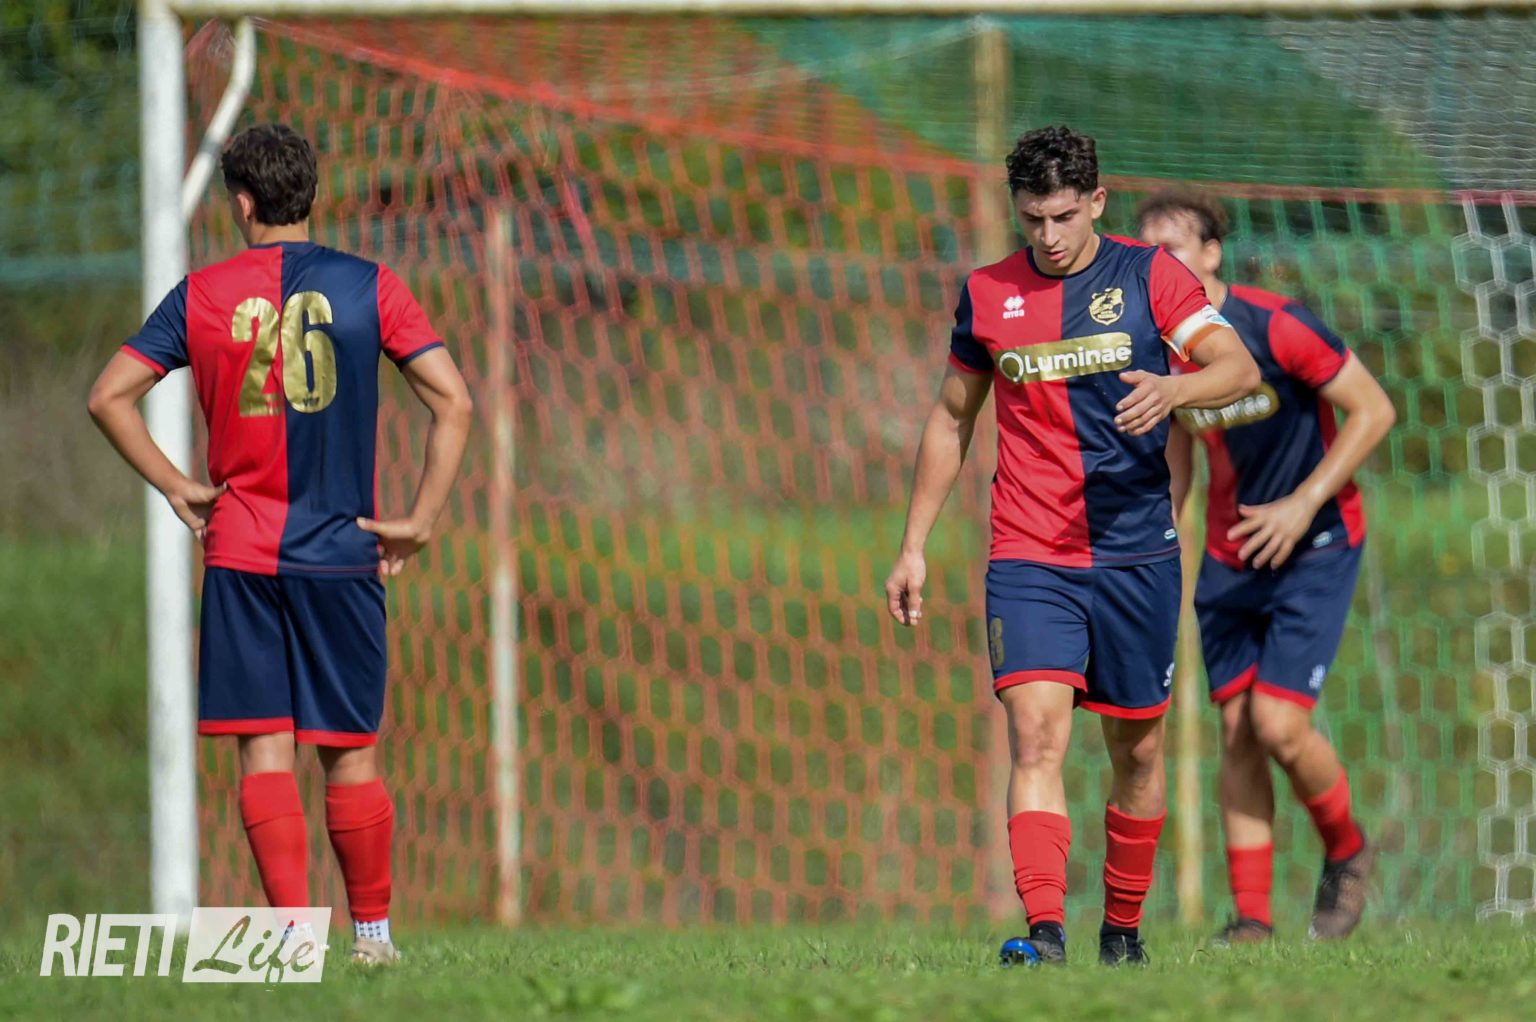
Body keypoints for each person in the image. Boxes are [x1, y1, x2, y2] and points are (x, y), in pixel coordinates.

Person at [87, 123, 473, 965]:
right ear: (311, 194)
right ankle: (373, 940)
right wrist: (421, 518)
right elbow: (454, 401)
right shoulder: (372, 285)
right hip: (342, 553)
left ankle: (294, 947)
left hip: (241, 553)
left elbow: (108, 396)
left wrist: (176, 484)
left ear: (242, 202)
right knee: (350, 752)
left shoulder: (199, 294)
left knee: (264, 749)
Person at [884, 126, 1259, 967]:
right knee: (1037, 736)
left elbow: (1236, 367)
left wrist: (1175, 389)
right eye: (1031, 219)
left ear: (1096, 201)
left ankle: (1122, 933)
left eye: (1062, 216)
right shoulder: (988, 293)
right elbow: (951, 417)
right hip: (1029, 551)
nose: (1048, 236)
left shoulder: (1151, 276)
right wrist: (912, 547)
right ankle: (1045, 935)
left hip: (1135, 552)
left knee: (1139, 752)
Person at [1137, 189, 1394, 943]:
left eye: (1171, 249)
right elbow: (1178, 460)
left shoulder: (1275, 324)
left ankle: (1347, 849)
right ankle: (1251, 919)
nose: (1157, 264)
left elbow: (1375, 410)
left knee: (1279, 724)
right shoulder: (1162, 351)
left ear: (1212, 253)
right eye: (1145, 252)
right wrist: (1154, 553)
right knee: (1238, 732)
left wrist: (1302, 503)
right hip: (1232, 555)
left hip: (1317, 543)